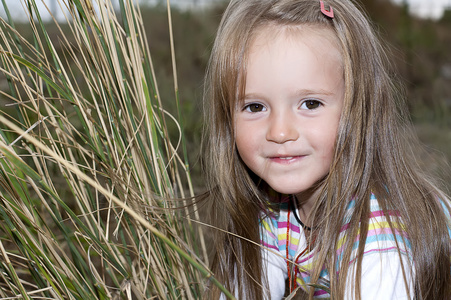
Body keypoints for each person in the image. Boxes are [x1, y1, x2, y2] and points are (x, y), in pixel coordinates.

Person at [201, 0, 451, 299]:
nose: (280, 132)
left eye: (310, 104)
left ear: (358, 108)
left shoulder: (380, 240)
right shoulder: (271, 207)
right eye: (255, 106)